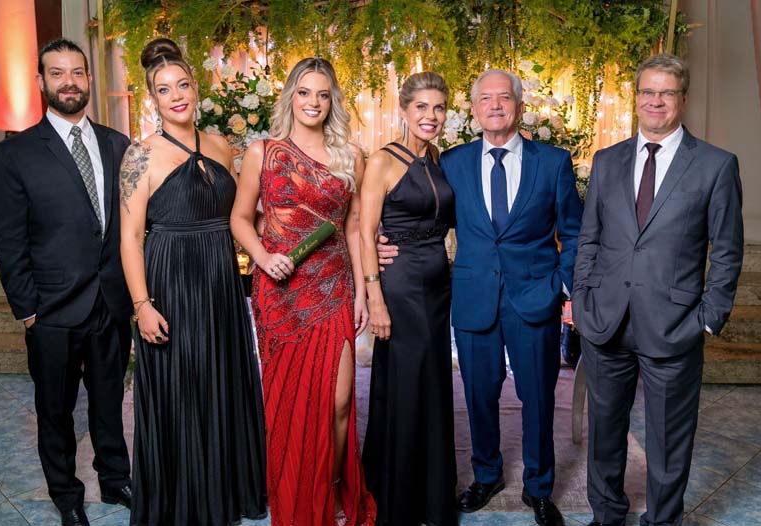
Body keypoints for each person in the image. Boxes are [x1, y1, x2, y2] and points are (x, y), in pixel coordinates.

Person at [379, 68, 581, 526]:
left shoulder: (553, 162)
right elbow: (420, 212)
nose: (495, 105)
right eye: (485, 98)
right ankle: (486, 475)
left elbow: (575, 233)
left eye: (504, 97)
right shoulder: (452, 163)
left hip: (535, 298)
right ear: (473, 110)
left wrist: (561, 286)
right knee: (478, 395)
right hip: (473, 298)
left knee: (538, 397)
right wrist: (378, 238)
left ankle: (539, 487)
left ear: (519, 107)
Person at [572, 54, 743, 526]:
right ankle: (606, 516)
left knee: (669, 439)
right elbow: (589, 238)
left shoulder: (715, 165)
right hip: (606, 320)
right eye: (648, 92)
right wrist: (583, 300)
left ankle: (663, 520)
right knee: (604, 432)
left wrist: (708, 317)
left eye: (666, 93)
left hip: (674, 324)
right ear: (636, 98)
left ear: (683, 99)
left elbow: (727, 249)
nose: (656, 101)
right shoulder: (607, 160)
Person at [119, 38, 267, 525]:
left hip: (220, 280)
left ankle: (225, 493)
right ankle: (184, 503)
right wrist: (142, 305)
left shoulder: (222, 145)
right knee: (181, 390)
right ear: (153, 99)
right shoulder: (140, 156)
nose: (176, 95)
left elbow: (244, 215)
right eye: (164, 89)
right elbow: (130, 238)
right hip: (171, 281)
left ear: (196, 87)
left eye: (182, 84)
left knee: (222, 379)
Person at [0, 39, 132, 526]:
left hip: (111, 302)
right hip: (50, 310)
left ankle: (115, 479)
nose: (69, 81)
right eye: (57, 72)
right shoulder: (15, 153)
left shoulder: (117, 144)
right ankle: (67, 496)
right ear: (41, 82)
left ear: (89, 79)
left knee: (109, 401)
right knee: (55, 410)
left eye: (77, 72)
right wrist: (28, 309)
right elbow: (7, 238)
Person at [230, 57, 376, 526]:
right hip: (281, 293)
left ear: (332, 101)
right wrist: (261, 255)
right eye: (304, 92)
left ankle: (329, 490)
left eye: (323, 94)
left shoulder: (350, 155)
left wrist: (362, 293)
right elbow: (239, 218)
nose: (313, 102)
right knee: (290, 405)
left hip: (334, 288)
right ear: (290, 96)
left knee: (338, 402)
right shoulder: (263, 152)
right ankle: (295, 494)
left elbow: (354, 228)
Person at [359, 71, 457, 526]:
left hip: (437, 288)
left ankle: (431, 496)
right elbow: (365, 233)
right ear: (403, 110)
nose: (431, 116)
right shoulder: (382, 161)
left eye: (439, 108)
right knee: (405, 385)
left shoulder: (436, 158)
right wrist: (375, 298)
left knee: (433, 385)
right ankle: (398, 500)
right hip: (400, 286)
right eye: (421, 107)